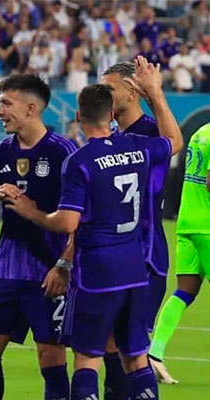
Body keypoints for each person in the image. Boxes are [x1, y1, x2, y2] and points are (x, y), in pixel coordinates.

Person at [4, 78, 180, 400]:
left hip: (96, 272)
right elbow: (173, 140)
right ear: (111, 114)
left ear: (78, 116)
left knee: (87, 358)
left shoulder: (80, 161)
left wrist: (33, 213)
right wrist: (155, 93)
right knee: (135, 358)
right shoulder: (137, 147)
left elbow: (67, 222)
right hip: (135, 269)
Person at [0, 74, 76, 400]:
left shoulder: (64, 153)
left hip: (48, 273)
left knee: (51, 356)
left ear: (31, 108)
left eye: (6, 103)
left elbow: (82, 218)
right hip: (6, 271)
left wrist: (64, 265)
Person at [99, 59, 184, 397]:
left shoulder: (151, 132)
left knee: (129, 349)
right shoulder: (111, 137)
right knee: (107, 344)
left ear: (132, 92)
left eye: (109, 90)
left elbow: (174, 142)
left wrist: (155, 94)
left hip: (144, 255)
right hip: (112, 255)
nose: (102, 96)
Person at [148, 123, 210, 385]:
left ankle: (154, 354)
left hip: (187, 221)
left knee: (185, 292)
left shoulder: (201, 132)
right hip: (207, 226)